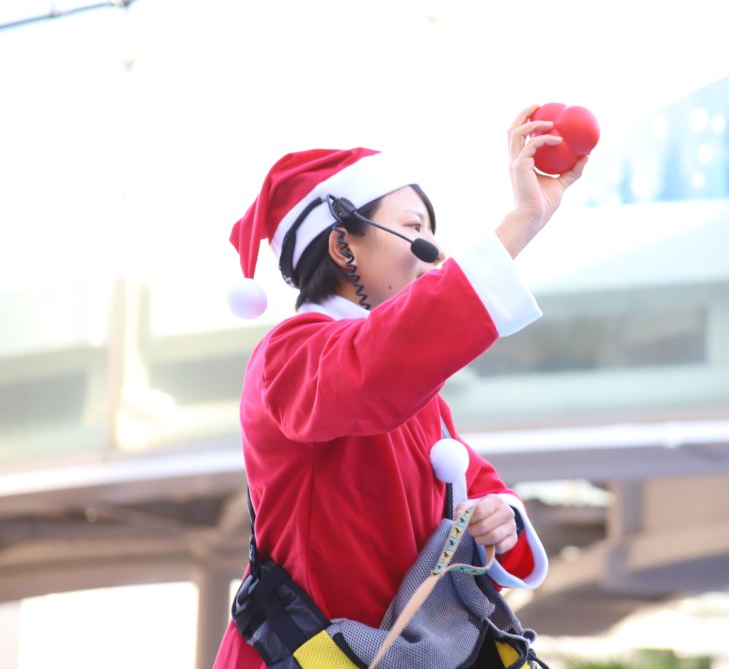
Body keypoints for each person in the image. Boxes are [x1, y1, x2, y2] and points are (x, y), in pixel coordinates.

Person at [214, 105, 589, 668]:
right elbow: (379, 366)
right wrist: (521, 222)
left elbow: (475, 486)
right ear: (344, 247)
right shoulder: (290, 356)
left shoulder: (403, 381)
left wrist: (501, 516)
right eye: (414, 229)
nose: (433, 252)